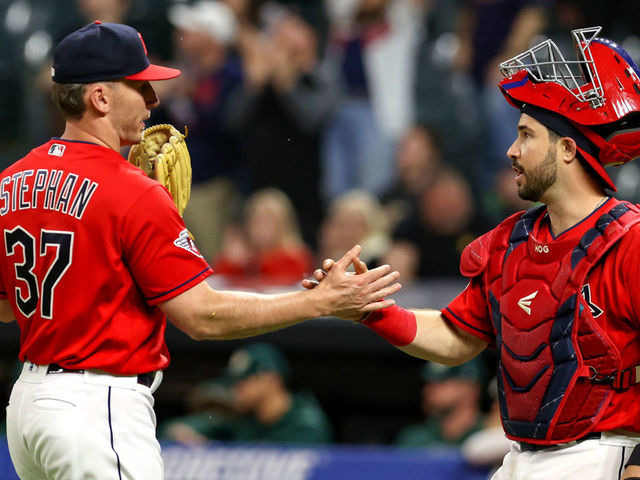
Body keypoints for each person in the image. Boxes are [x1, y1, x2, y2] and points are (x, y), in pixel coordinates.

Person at [0, 21, 401, 480]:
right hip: (97, 407)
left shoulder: (11, 180)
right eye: (140, 85)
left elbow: (7, 309)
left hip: (28, 406)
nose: (153, 100)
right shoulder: (133, 191)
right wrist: (317, 301)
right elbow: (201, 316)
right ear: (100, 97)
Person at [306, 27, 640, 479]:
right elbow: (455, 338)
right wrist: (368, 309)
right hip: (520, 458)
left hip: (603, 456)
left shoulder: (629, 240)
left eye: (526, 135)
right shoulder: (510, 240)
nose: (511, 150)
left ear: (566, 149)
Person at [163, 343, 333, 445]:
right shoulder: (244, 417)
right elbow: (175, 429)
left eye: (243, 382)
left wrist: (222, 456)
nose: (236, 389)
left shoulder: (306, 423)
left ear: (270, 379)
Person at [211, 188, 315, 287]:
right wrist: (230, 261)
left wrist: (249, 262)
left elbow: (281, 282)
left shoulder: (296, 256)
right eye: (257, 219)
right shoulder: (237, 257)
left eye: (268, 220)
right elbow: (217, 284)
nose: (262, 227)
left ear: (283, 224)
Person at [394, 358, 486, 448]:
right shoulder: (414, 439)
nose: (430, 388)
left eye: (442, 381)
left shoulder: (490, 434)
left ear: (469, 388)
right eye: (428, 382)